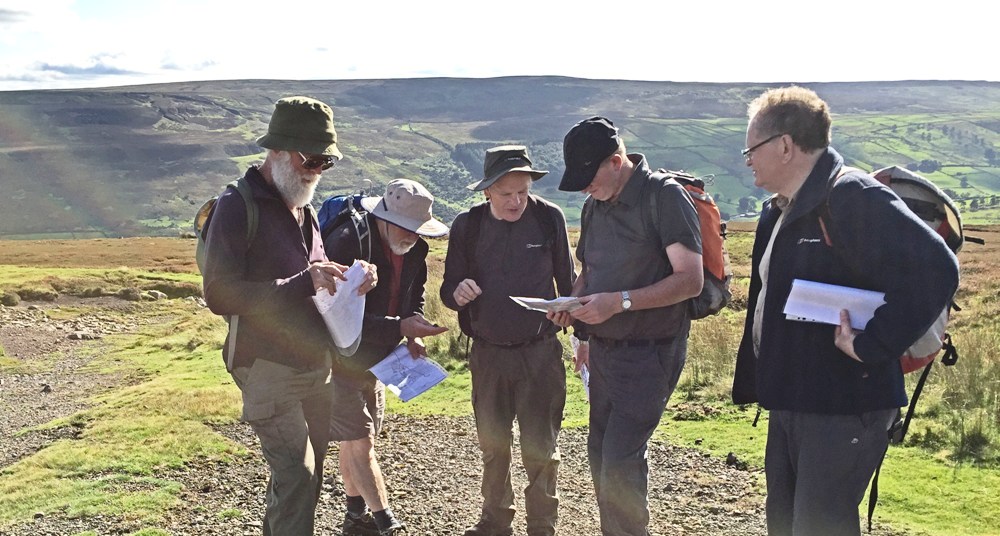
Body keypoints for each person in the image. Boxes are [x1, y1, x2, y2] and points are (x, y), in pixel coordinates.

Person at [731, 86, 960, 536]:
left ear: (784, 146)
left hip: (845, 406)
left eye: (751, 148)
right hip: (795, 402)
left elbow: (936, 268)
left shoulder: (852, 196)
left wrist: (871, 345)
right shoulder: (780, 210)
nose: (747, 160)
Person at [202, 95, 377, 536]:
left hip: (315, 366)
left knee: (307, 479)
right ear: (276, 150)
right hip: (266, 367)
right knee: (297, 476)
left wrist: (349, 283)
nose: (315, 170)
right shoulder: (237, 206)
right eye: (310, 159)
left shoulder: (305, 209)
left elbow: (312, 283)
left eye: (326, 163)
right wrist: (306, 279)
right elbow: (220, 294)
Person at [550, 116, 703, 536]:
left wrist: (619, 303)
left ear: (616, 162)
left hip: (651, 351)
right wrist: (572, 308)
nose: (584, 188)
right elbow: (590, 273)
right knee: (600, 457)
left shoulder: (665, 197)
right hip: (603, 352)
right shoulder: (594, 204)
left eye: (588, 177)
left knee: (620, 461)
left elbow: (690, 280)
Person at [440, 145, 576, 536]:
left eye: (523, 190)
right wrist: (458, 292)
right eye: (506, 193)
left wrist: (571, 315)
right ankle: (495, 521)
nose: (517, 200)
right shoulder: (468, 225)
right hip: (488, 353)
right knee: (493, 446)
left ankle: (542, 527)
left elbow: (567, 285)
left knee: (541, 448)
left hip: (540, 354)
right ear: (486, 191)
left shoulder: (549, 218)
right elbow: (450, 287)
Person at [324, 179, 450, 536]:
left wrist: (413, 326)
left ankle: (355, 517)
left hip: (377, 360)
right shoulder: (348, 242)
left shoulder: (417, 249)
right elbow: (333, 312)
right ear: (383, 217)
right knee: (360, 438)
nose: (411, 237)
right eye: (405, 228)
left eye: (417, 230)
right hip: (338, 357)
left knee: (357, 439)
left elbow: (416, 294)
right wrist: (400, 327)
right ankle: (385, 523)